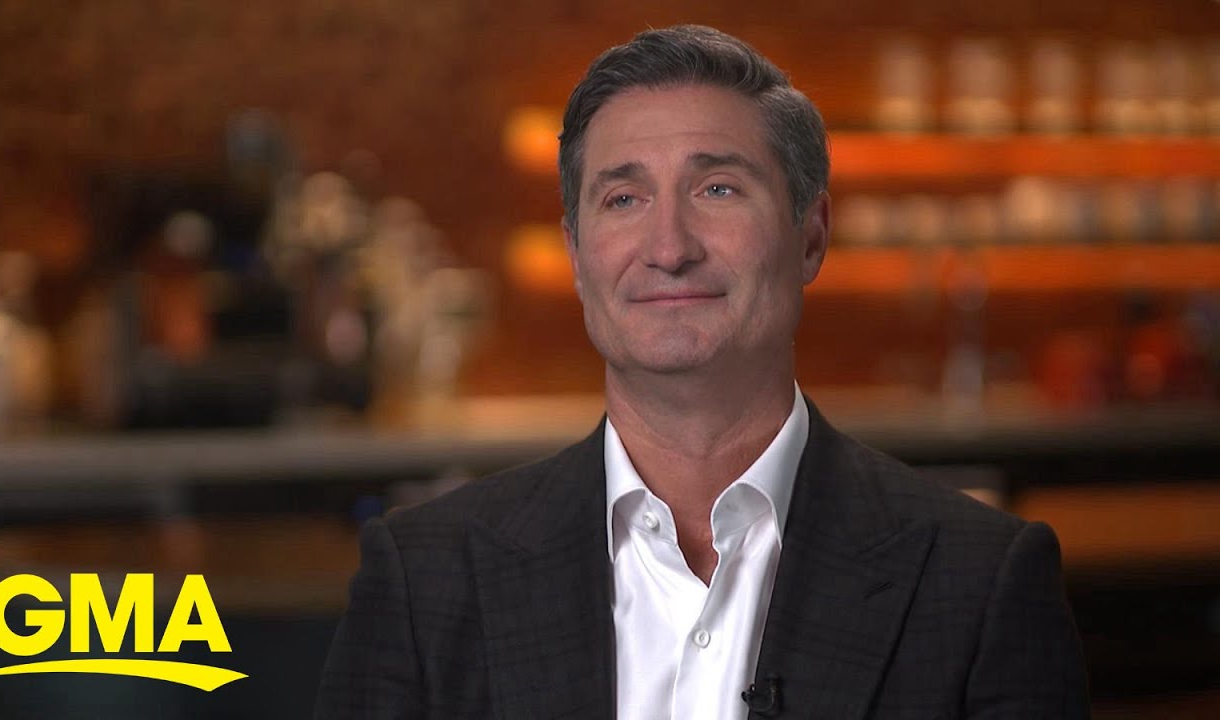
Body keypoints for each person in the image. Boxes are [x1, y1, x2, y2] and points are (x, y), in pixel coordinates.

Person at [315, 24, 1089, 719]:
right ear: (577, 254)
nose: (669, 247)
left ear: (811, 236)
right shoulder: (423, 579)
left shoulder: (981, 582)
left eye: (718, 189)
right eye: (623, 199)